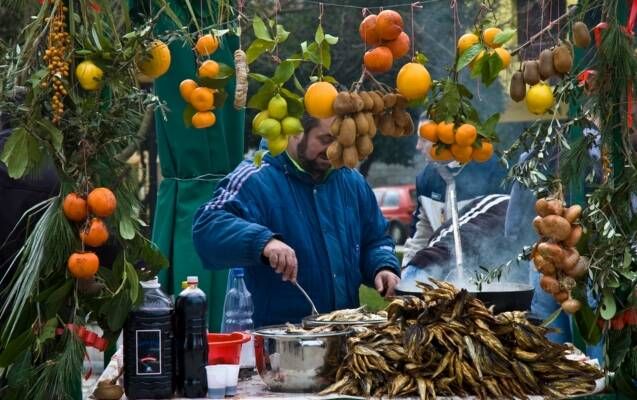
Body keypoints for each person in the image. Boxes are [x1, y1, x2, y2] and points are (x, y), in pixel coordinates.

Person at [192, 114, 401, 328]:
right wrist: (263, 242)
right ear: (294, 132)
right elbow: (207, 225)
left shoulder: (352, 180)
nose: (333, 150)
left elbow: (375, 239)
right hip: (277, 346)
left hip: (346, 340)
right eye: (325, 139)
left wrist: (382, 266)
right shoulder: (255, 176)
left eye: (342, 140)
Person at [401, 114, 509, 267]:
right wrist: (407, 270)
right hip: (441, 275)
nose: (418, 146)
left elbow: (503, 227)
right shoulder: (425, 178)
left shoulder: (493, 170)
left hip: (486, 274)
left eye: (423, 139)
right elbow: (421, 231)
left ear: (445, 139)